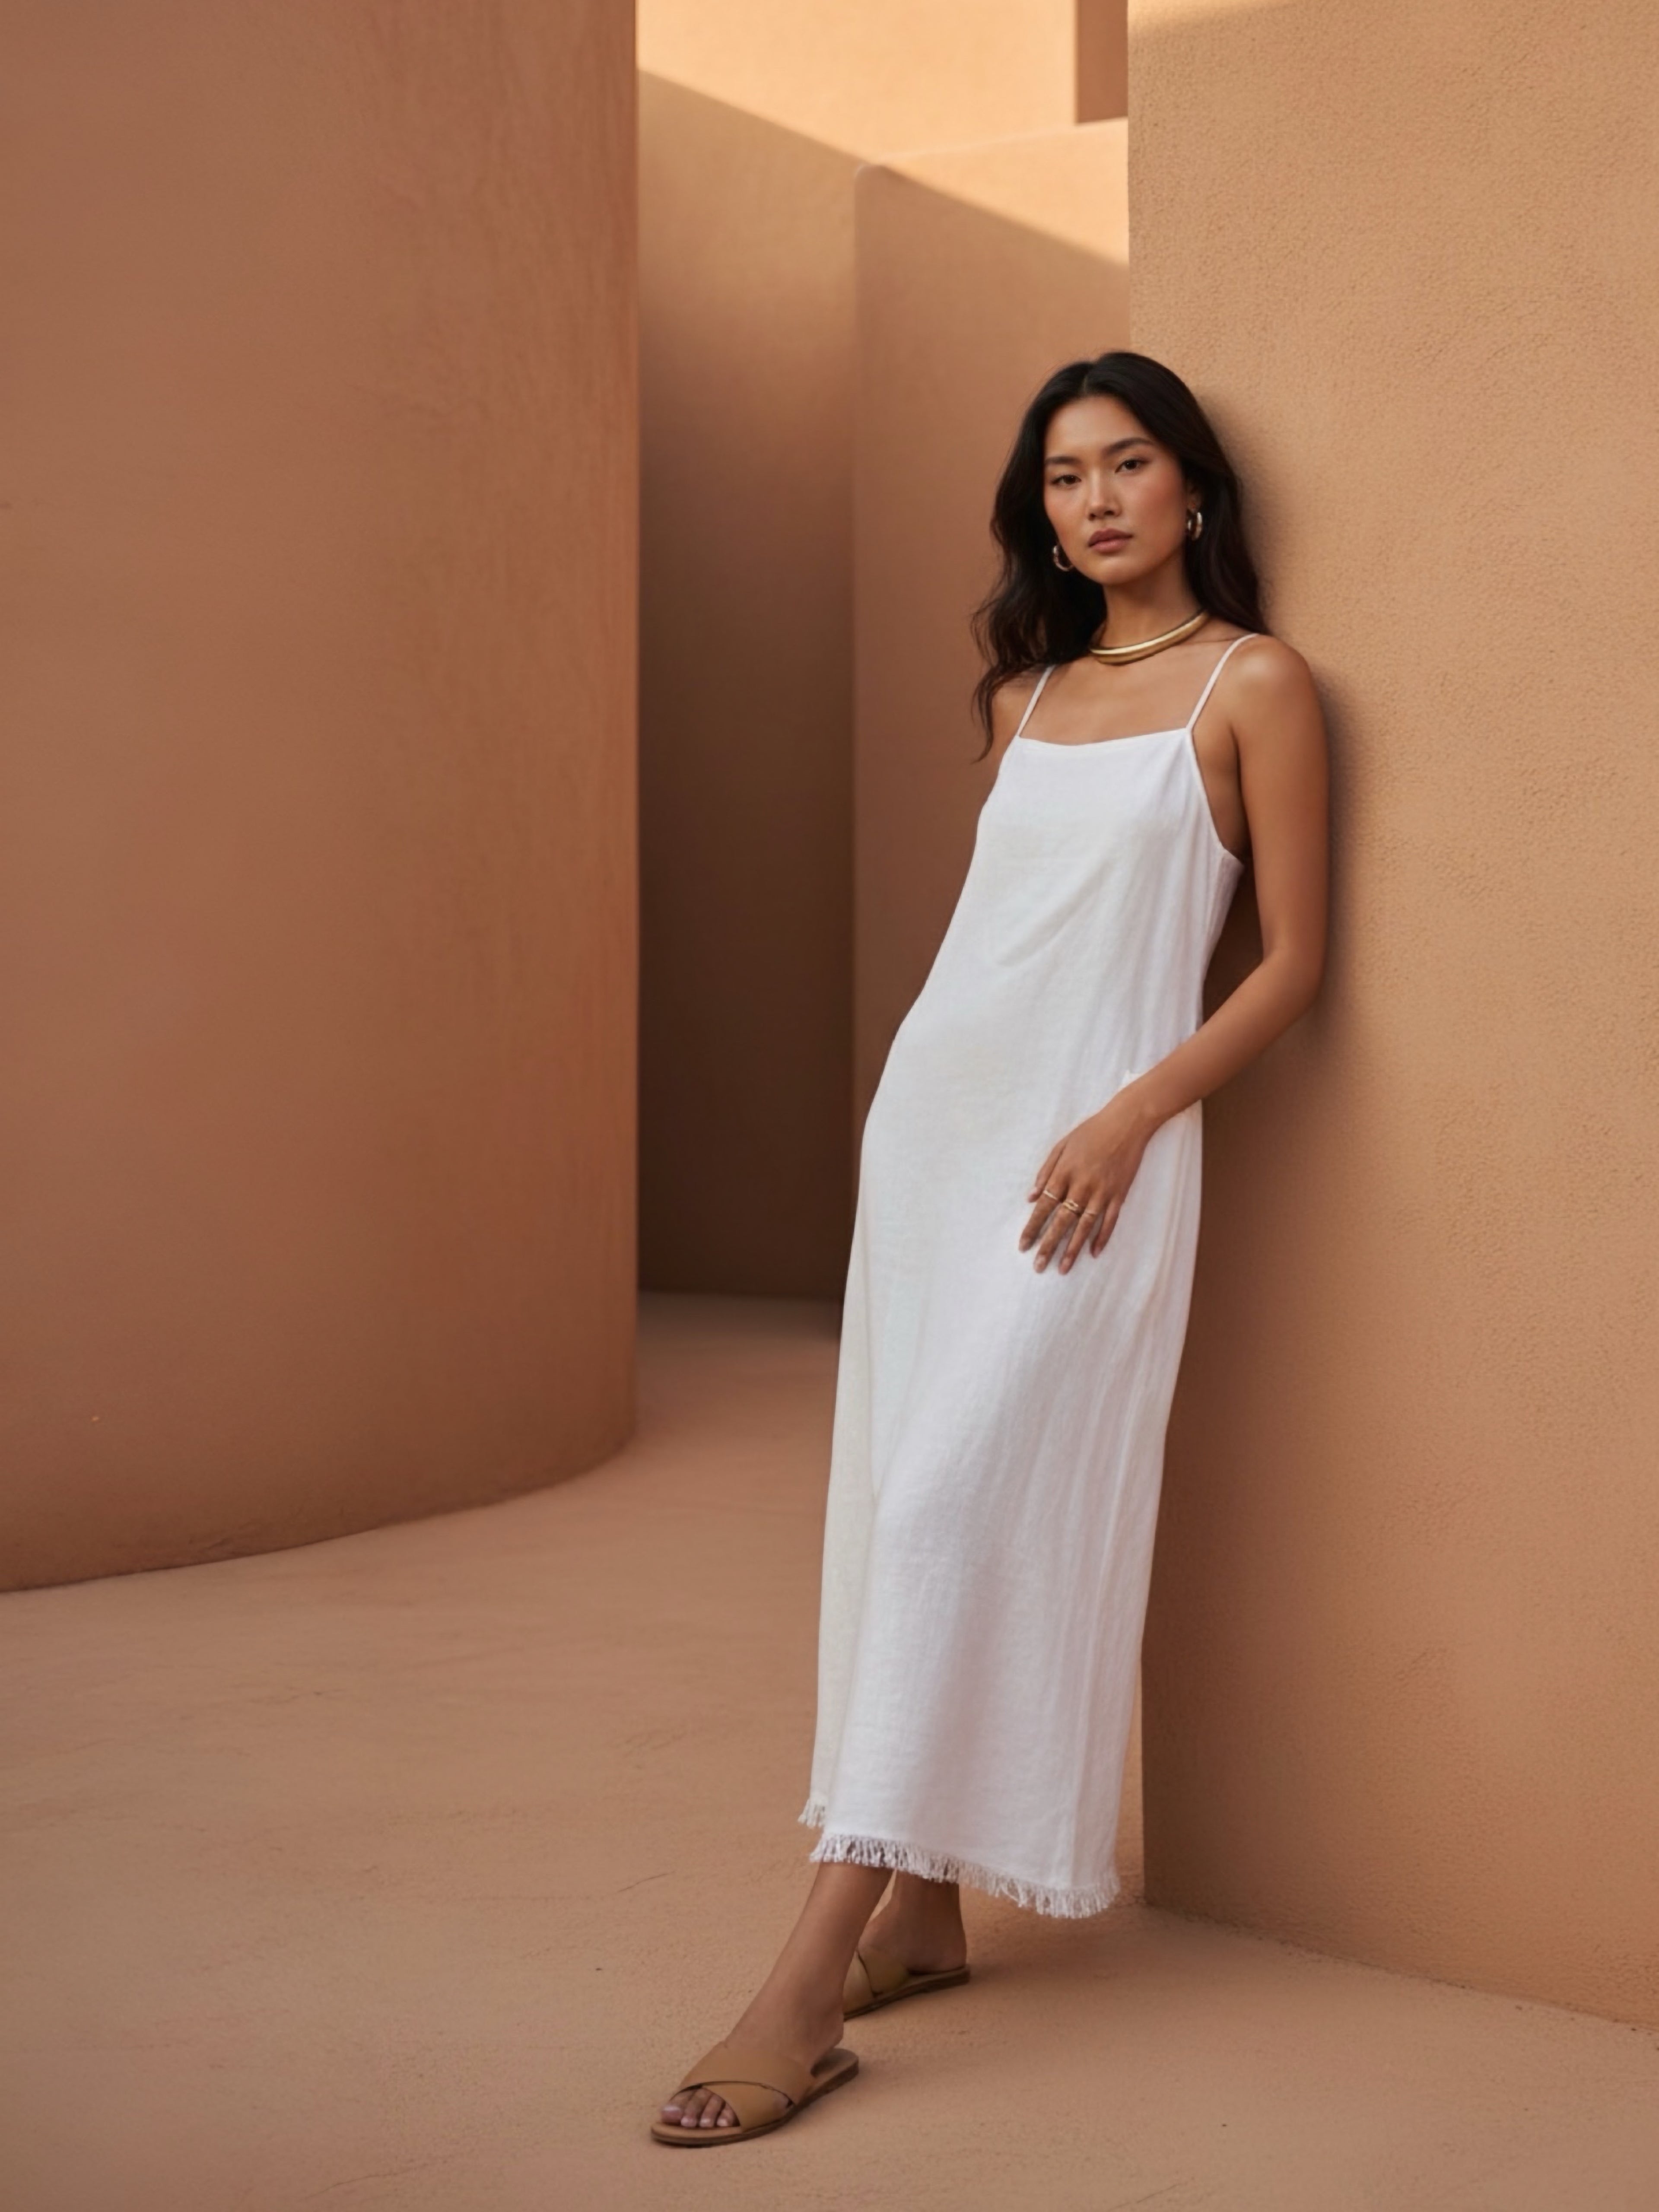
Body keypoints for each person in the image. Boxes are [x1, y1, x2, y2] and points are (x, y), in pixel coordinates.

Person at [650, 350, 1329, 2145]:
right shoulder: (1024, 695)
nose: (1096, 500)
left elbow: (1291, 967)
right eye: (1061, 478)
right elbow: (997, 951)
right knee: (897, 1504)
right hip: (940, 1145)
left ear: (1196, 485)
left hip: (1092, 1166)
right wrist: (938, 1119)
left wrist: (1127, 1113)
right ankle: (927, 1914)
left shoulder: (1256, 685)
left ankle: (808, 1979)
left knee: (956, 1500)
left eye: (1129, 464)